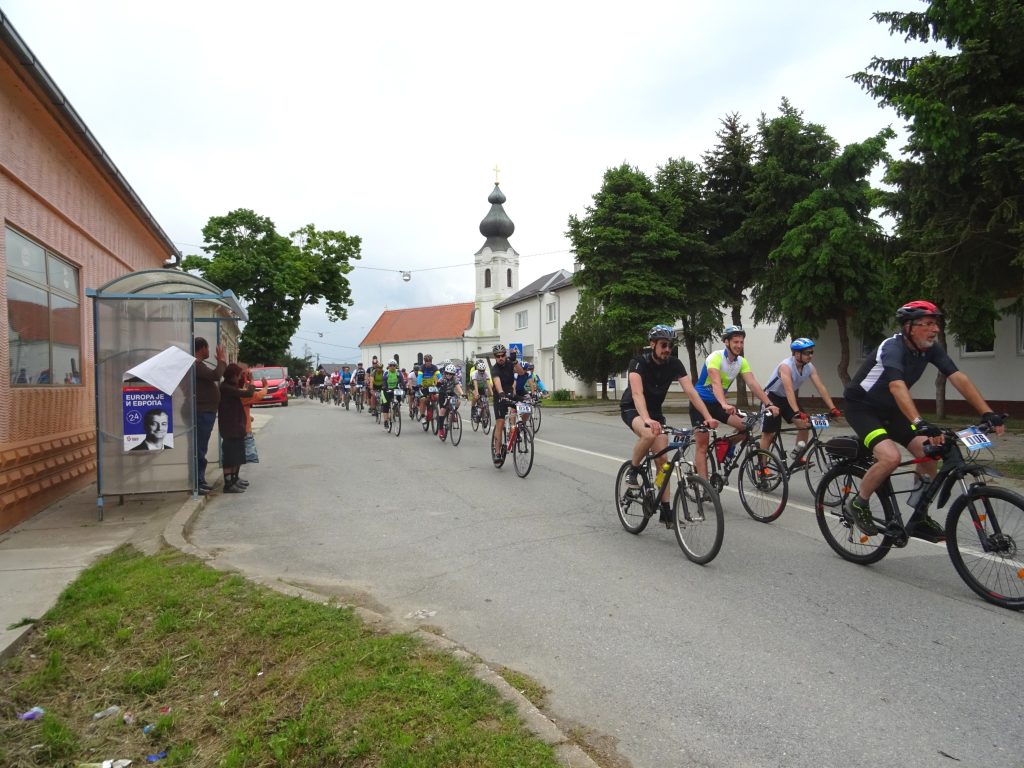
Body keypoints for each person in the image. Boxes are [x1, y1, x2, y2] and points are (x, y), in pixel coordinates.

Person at [842, 300, 1005, 541]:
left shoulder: (931, 349)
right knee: (890, 457)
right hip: (862, 409)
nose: (935, 329)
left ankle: (919, 516)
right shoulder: (892, 347)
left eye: (936, 323)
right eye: (928, 323)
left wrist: (987, 413)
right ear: (909, 326)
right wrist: (919, 421)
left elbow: (957, 377)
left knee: (931, 451)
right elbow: (896, 386)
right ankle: (858, 503)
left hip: (893, 410)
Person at [622, 325, 720, 525]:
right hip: (633, 408)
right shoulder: (638, 363)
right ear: (653, 345)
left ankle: (666, 510)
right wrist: (647, 419)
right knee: (648, 435)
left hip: (656, 414)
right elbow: (637, 394)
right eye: (663, 345)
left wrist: (707, 416)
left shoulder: (674, 364)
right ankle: (633, 470)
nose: (667, 349)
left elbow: (691, 392)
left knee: (663, 462)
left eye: (670, 346)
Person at [690, 325, 779, 481]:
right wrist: (724, 404)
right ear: (726, 342)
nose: (739, 345)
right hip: (700, 403)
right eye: (735, 342)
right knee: (702, 445)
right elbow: (716, 383)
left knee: (745, 427)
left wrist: (769, 403)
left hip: (718, 404)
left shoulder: (741, 362)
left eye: (741, 342)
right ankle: (704, 487)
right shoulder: (715, 357)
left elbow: (753, 384)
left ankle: (725, 445)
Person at [758, 338, 842, 459]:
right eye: (807, 353)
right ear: (797, 354)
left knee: (805, 425)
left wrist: (833, 408)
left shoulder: (810, 367)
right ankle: (762, 468)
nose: (811, 355)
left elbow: (820, 387)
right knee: (769, 434)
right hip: (771, 398)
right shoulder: (786, 366)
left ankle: (798, 455)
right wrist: (797, 412)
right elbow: (789, 389)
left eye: (812, 352)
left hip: (787, 399)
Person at [194, 337, 226, 494]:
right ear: (202, 349)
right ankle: (197, 482)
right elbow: (216, 375)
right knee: (200, 447)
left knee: (201, 446)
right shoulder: (196, 365)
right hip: (202, 412)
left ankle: (200, 479)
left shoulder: (199, 365)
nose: (208, 351)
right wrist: (221, 360)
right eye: (207, 348)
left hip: (206, 411)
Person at [218, 363, 254, 493]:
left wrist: (245, 378)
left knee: (237, 455)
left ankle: (234, 479)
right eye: (238, 375)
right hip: (230, 427)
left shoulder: (231, 386)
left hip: (236, 426)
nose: (239, 378)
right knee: (230, 457)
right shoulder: (226, 388)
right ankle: (228, 484)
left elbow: (240, 387)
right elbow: (248, 393)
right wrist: (252, 381)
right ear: (232, 376)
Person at [490, 344, 526, 464]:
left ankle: (521, 428)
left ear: (505, 355)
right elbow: (497, 382)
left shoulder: (510, 363)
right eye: (498, 356)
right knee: (500, 423)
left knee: (527, 408)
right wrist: (501, 394)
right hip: (500, 397)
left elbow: (521, 372)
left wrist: (515, 361)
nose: (500, 357)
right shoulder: (494, 369)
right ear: (495, 357)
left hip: (511, 394)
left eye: (502, 355)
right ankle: (498, 452)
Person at [436, 363, 465, 440]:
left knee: (458, 402)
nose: (448, 375)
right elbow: (438, 383)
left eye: (451, 374)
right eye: (447, 373)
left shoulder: (455, 379)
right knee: (442, 411)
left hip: (450, 392)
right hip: (443, 393)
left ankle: (453, 413)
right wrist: (438, 384)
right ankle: (441, 429)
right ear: (445, 373)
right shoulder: (443, 378)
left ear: (453, 374)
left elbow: (458, 386)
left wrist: (462, 394)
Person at [379, 360, 405, 430]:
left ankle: (396, 409)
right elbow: (384, 380)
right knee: (386, 405)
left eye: (394, 365)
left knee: (398, 399)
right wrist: (385, 387)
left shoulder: (398, 372)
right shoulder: (386, 372)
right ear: (388, 366)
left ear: (396, 366)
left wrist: (404, 387)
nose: (392, 367)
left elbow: (402, 380)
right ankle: (385, 421)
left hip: (395, 389)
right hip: (386, 389)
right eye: (391, 365)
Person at [418, 354, 440, 422]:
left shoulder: (434, 367)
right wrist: (419, 384)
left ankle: (434, 408)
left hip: (432, 386)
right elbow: (419, 377)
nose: (428, 362)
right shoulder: (422, 368)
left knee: (438, 396)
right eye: (426, 361)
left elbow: (439, 375)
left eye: (430, 360)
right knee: (423, 400)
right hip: (424, 386)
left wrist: (441, 380)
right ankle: (422, 416)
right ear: (425, 361)